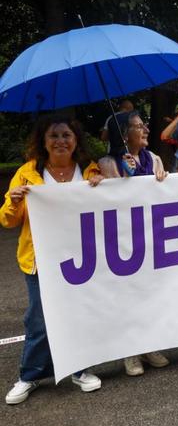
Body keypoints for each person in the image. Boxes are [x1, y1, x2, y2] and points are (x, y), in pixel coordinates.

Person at [2, 115, 105, 404]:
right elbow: (8, 221)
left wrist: (103, 184)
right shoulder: (27, 173)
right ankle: (30, 375)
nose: (60, 141)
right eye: (54, 136)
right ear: (43, 142)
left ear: (76, 141)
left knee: (79, 313)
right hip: (40, 261)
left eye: (66, 135)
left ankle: (80, 369)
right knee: (39, 319)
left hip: (82, 259)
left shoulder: (89, 170)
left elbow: (107, 208)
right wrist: (13, 200)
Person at [98, 111, 171, 375]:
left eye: (144, 125)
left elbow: (167, 195)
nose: (146, 130)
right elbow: (108, 202)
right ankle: (130, 352)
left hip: (152, 238)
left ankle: (150, 344)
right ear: (124, 134)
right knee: (127, 296)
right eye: (139, 126)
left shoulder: (154, 159)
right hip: (124, 242)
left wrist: (164, 183)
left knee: (150, 293)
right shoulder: (108, 163)